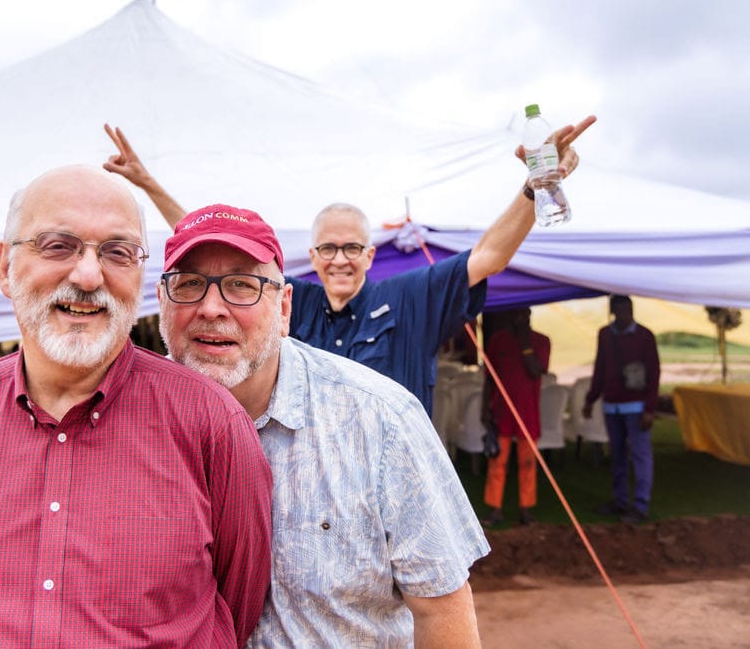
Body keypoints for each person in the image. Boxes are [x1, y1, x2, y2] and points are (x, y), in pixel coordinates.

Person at [0, 166, 273, 647]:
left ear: (140, 276)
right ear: (4, 266)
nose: (87, 275)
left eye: (117, 252)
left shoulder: (211, 422)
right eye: (58, 245)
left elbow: (236, 606)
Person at [156, 204, 489, 647]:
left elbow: (441, 607)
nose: (212, 307)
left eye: (242, 285)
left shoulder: (382, 420)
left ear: (284, 308)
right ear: (161, 301)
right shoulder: (127, 420)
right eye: (190, 284)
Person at [103, 116, 595, 414]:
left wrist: (536, 187)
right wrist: (148, 184)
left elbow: (488, 257)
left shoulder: (408, 296)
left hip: (396, 496)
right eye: (329, 249)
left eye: (352, 248)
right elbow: (221, 253)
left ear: (370, 255)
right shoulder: (291, 304)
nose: (340, 259)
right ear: (312, 258)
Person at [583, 294, 660, 525]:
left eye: (627, 311)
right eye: (619, 311)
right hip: (612, 405)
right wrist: (591, 399)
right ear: (613, 312)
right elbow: (600, 367)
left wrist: (649, 409)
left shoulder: (644, 336)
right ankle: (620, 500)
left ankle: (640, 505)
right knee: (617, 455)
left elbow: (654, 374)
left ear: (632, 310)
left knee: (640, 454)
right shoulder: (605, 334)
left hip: (636, 406)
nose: (624, 316)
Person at [480, 308, 550, 527]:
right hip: (501, 413)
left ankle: (525, 509)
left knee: (527, 463)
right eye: (516, 315)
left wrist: (524, 342)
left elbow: (536, 371)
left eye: (524, 315)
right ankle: (495, 509)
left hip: (527, 414)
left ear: (529, 315)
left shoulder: (541, 341)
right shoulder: (497, 341)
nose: (520, 318)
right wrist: (484, 407)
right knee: (497, 462)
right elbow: (489, 378)